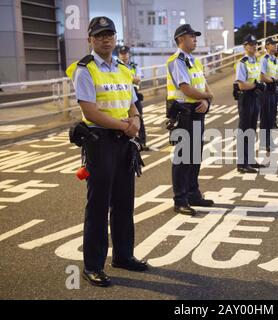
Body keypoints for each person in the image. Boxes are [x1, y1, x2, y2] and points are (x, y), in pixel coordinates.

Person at [66, 16, 149, 288]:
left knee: (124, 203)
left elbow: (132, 105)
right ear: (90, 39)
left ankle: (123, 256)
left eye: (110, 34)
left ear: (115, 38)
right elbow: (90, 111)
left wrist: (134, 121)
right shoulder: (85, 69)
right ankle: (93, 266)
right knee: (99, 206)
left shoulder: (123, 69)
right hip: (100, 142)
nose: (106, 39)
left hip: (123, 142)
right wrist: (125, 126)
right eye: (100, 35)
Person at [166, 24, 215, 216]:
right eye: (192, 36)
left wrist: (206, 99)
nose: (195, 39)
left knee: (195, 156)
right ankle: (180, 199)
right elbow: (186, 89)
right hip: (182, 114)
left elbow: (204, 85)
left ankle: (193, 194)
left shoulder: (195, 61)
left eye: (195, 36)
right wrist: (206, 97)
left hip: (196, 112)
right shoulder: (176, 61)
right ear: (181, 39)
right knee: (182, 158)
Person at [234, 34, 266, 174]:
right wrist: (255, 85)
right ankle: (242, 164)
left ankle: (251, 160)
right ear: (245, 46)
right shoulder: (243, 62)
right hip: (246, 98)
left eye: (255, 44)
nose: (254, 46)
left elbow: (255, 80)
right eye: (251, 44)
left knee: (252, 130)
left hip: (254, 97)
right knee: (244, 130)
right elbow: (241, 85)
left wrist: (258, 85)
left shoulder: (256, 61)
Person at [118, 45, 149, 151]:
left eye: (125, 53)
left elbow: (138, 80)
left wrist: (126, 77)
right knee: (124, 118)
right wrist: (131, 78)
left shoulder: (134, 66)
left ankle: (142, 141)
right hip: (121, 92)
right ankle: (129, 141)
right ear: (119, 55)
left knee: (138, 117)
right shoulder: (116, 66)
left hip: (134, 92)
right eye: (122, 54)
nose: (124, 55)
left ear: (129, 54)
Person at [260, 37, 278, 152]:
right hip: (265, 91)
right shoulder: (264, 59)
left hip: (272, 90)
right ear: (266, 46)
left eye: (275, 44)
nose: (275, 45)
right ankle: (264, 142)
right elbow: (261, 76)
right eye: (272, 44)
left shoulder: (273, 59)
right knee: (265, 118)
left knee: (272, 117)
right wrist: (273, 80)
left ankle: (270, 141)